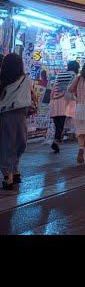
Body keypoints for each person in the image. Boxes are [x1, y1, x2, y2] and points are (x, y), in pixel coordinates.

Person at [0, 53, 37, 190]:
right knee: (19, 143)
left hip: (5, 115)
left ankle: (8, 175)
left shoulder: (2, 79)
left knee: (6, 145)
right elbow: (33, 95)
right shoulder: (27, 79)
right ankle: (14, 172)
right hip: (21, 115)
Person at [49, 60, 80, 154]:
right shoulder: (73, 75)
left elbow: (54, 87)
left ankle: (56, 141)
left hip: (55, 100)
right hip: (65, 101)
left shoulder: (60, 74)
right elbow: (74, 89)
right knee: (61, 123)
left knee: (58, 123)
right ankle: (56, 141)